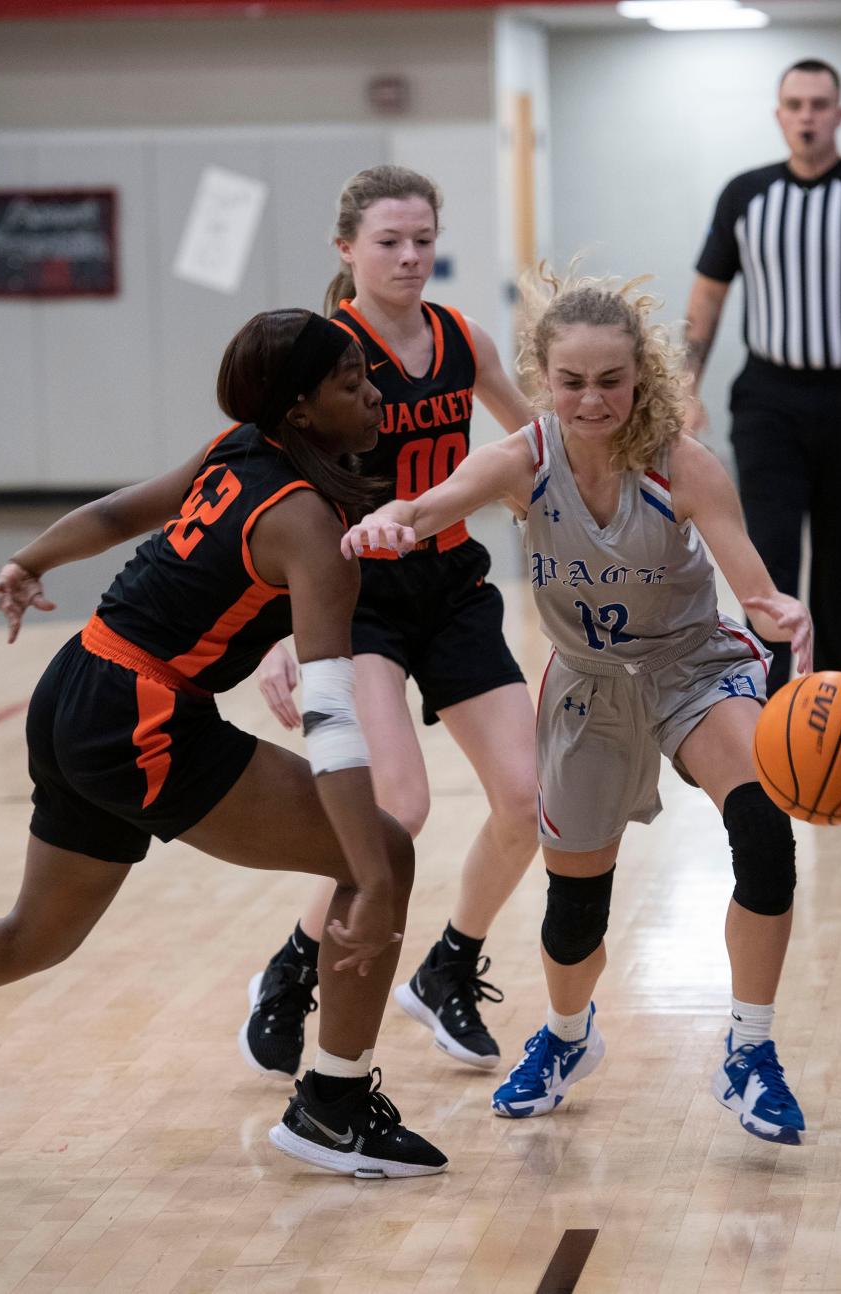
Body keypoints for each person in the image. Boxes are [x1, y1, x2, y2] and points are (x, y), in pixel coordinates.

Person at [341, 268, 815, 1145]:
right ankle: (567, 1037)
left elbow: (748, 580)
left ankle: (750, 1049)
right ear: (543, 380)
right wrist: (390, 522)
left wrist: (777, 609)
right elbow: (431, 502)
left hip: (692, 667)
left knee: (763, 829)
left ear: (642, 377)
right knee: (574, 915)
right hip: (589, 684)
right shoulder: (525, 459)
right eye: (571, 381)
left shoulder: (681, 461)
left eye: (611, 380)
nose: (592, 399)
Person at [0, 309, 449, 1179]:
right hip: (138, 718)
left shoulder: (241, 446)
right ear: (303, 410)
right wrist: (377, 879)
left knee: (31, 940)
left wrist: (31, 561)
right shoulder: (309, 525)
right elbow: (331, 719)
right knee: (379, 850)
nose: (375, 392)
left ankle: (334, 1106)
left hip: (78, 685)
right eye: (353, 381)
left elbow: (121, 509)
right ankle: (332, 1112)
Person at [241, 166, 539, 1081]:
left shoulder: (461, 338)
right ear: (346, 251)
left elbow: (540, 443)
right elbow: (267, 495)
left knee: (534, 804)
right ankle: (294, 970)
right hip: (354, 597)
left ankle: (448, 964)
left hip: (449, 584)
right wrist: (278, 632)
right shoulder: (323, 354)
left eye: (422, 240)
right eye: (388, 242)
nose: (411, 257)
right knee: (394, 808)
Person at [685, 58, 841, 695]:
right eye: (795, 104)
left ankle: (840, 706)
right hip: (770, 401)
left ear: (839, 114)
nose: (807, 116)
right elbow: (706, 298)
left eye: (819, 105)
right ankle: (765, 708)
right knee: (768, 561)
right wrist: (685, 387)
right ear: (779, 115)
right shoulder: (745, 195)